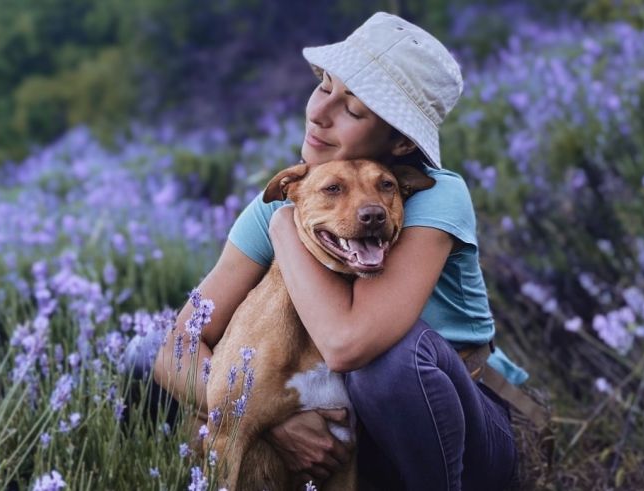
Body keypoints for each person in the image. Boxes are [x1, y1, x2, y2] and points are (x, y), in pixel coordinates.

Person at [154, 11, 528, 490]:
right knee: (142, 351)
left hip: (463, 430)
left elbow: (347, 344)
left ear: (399, 142)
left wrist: (287, 227)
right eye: (324, 87)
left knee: (389, 364)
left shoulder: (431, 195)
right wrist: (269, 417)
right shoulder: (289, 193)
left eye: (353, 109)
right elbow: (177, 345)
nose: (320, 113)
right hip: (351, 433)